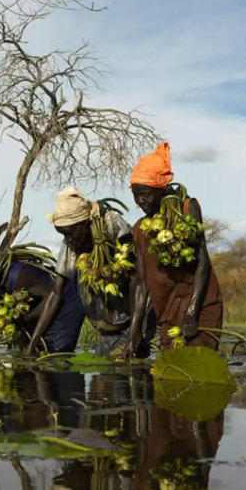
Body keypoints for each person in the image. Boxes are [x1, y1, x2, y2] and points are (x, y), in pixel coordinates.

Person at [27, 187, 152, 357]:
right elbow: (56, 292)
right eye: (64, 235)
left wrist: (135, 333)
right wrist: (33, 343)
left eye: (70, 233)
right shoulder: (72, 243)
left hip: (133, 322)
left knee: (128, 372)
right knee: (103, 376)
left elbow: (138, 281)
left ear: (84, 223)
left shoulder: (111, 224)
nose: (69, 239)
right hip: (106, 329)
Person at [127, 142, 223, 352]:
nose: (141, 201)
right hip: (167, 313)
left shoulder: (188, 208)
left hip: (201, 306)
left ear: (161, 190)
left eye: (146, 194)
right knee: (170, 369)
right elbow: (141, 284)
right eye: (136, 195)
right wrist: (135, 332)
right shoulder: (140, 230)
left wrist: (191, 311)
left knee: (200, 365)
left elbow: (202, 262)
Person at [0, 261, 85, 354]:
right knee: (29, 355)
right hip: (40, 306)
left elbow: (53, 296)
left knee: (56, 352)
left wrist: (32, 341)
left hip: (66, 296)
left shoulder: (16, 276)